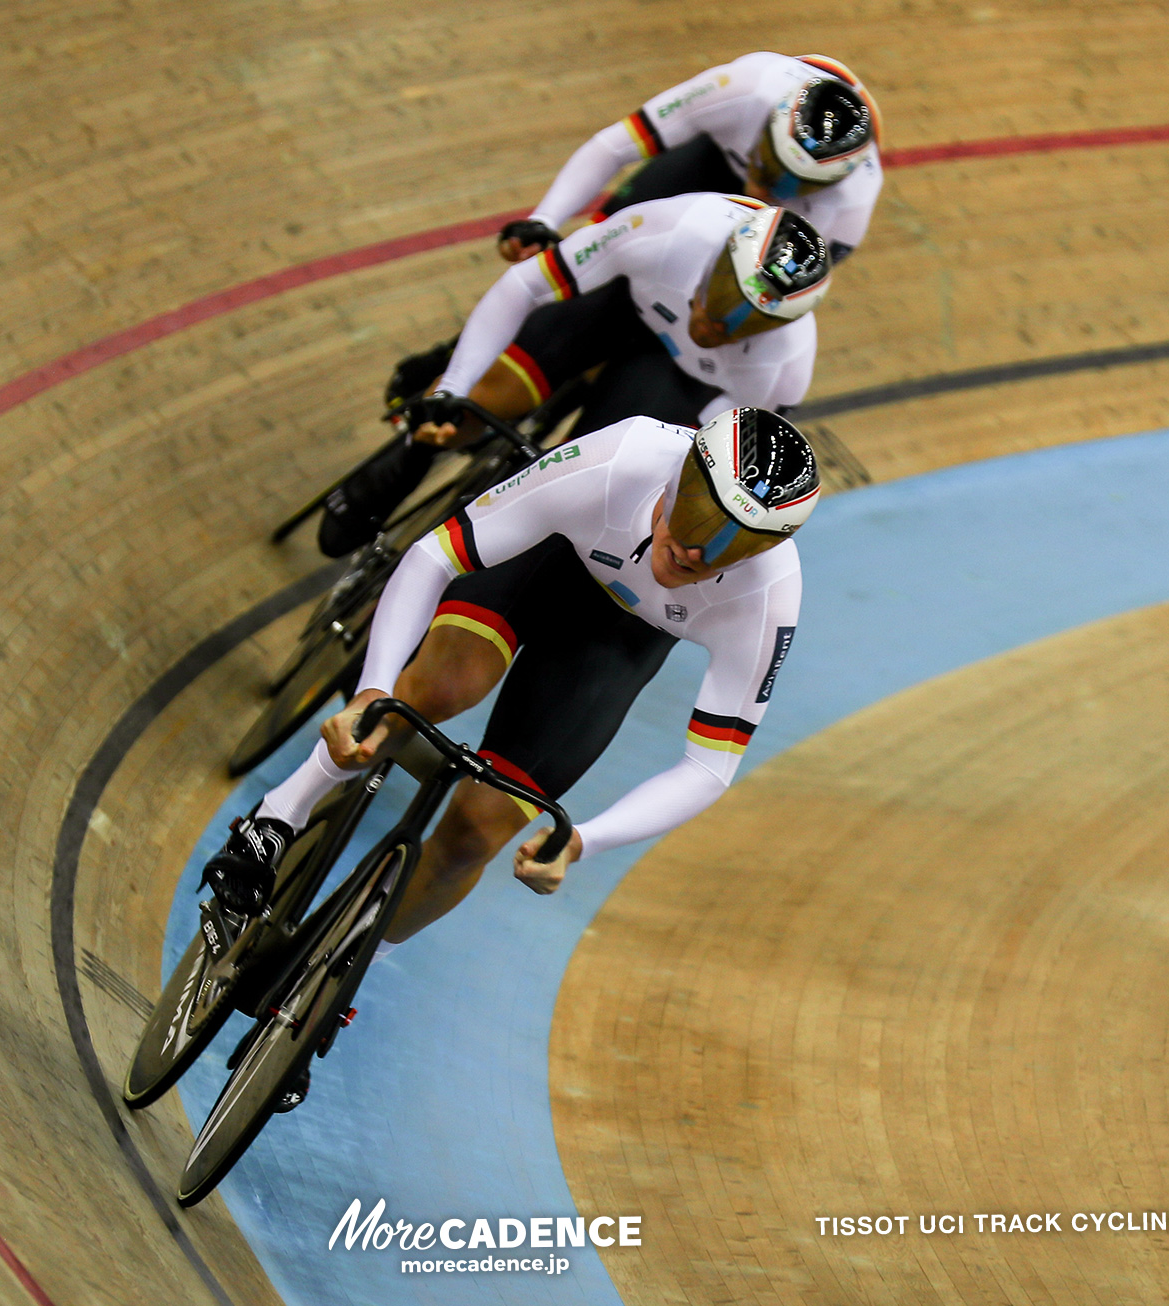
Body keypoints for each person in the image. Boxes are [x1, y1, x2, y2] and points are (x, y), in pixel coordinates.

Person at [205, 406, 815, 962]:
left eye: (738, 540)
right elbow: (435, 557)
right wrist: (372, 689)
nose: (698, 549)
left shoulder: (767, 595)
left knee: (475, 831)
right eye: (700, 514)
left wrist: (582, 842)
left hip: (612, 645)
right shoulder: (620, 461)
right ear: (679, 478)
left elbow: (709, 767)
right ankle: (280, 814)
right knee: (439, 686)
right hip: (544, 559)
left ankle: (348, 963)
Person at [318, 194, 830, 555]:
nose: (715, 324)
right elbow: (525, 286)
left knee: (588, 476)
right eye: (721, 297)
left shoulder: (783, 364)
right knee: (482, 398)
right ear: (718, 260)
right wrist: (452, 390)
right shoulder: (673, 228)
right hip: (619, 304)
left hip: (670, 375)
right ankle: (414, 451)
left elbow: (697, 459)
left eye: (746, 321)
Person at [496, 52, 883, 267]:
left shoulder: (848, 211)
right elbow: (615, 147)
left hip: (768, 226)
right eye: (769, 164)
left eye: (790, 182)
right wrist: (544, 220)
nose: (763, 188)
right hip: (714, 160)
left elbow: (773, 304)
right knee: (597, 250)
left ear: (831, 182)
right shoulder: (745, 90)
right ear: (765, 129)